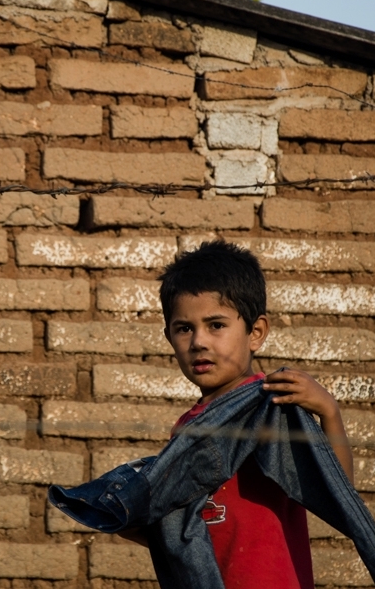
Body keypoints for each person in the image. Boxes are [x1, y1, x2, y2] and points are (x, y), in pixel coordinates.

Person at [120, 240, 355, 589]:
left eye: (216, 325)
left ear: (255, 332)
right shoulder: (187, 428)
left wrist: (329, 413)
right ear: (169, 337)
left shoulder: (271, 407)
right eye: (184, 328)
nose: (199, 341)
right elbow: (182, 527)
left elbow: (339, 495)